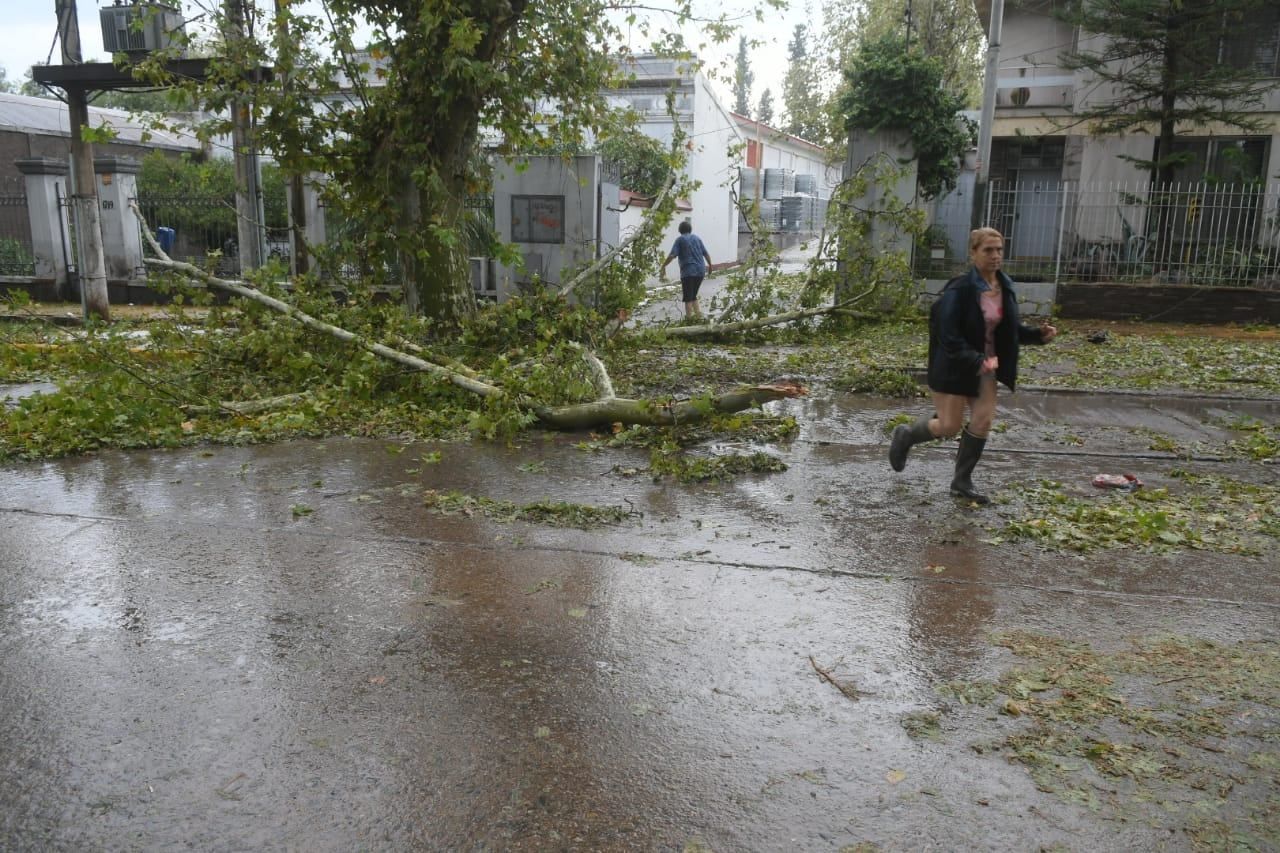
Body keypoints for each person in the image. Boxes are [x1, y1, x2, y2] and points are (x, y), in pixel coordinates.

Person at [888, 227, 1058, 504]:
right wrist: (978, 360)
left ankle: (961, 482)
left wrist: (1036, 335)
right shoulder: (960, 289)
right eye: (988, 250)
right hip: (955, 367)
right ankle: (906, 435)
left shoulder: (1004, 286)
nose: (995, 256)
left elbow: (1008, 329)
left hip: (986, 368)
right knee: (948, 426)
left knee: (983, 420)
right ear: (973, 253)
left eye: (999, 250)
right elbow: (948, 337)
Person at [660, 220, 711, 319]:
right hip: (700, 271)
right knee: (693, 295)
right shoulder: (697, 239)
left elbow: (672, 255)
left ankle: (689, 320)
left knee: (688, 298)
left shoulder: (680, 240)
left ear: (680, 230)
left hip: (688, 272)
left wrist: (663, 265)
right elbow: (705, 253)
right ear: (690, 229)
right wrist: (710, 266)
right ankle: (698, 317)